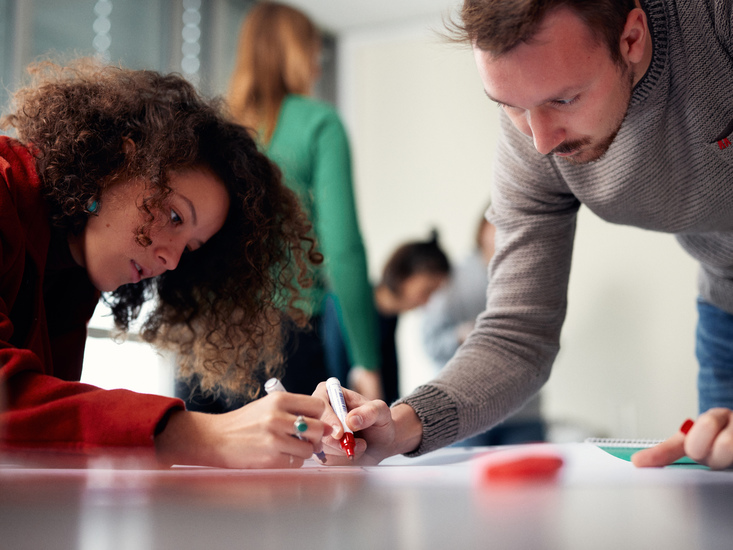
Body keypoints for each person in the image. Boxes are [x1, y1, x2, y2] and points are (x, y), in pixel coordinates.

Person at [315, 0, 733, 470]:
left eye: (564, 99)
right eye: (511, 106)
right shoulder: (532, 145)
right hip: (725, 301)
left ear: (632, 39)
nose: (541, 141)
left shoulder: (712, 17)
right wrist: (400, 425)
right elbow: (517, 333)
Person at [0, 58, 331, 469]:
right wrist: (201, 435)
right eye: (175, 216)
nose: (171, 260)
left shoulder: (71, 274)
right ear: (122, 160)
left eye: (190, 248)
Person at [217, 1, 381, 402]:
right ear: (294, 53)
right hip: (285, 341)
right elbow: (342, 249)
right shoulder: (319, 123)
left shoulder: (215, 131)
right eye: (312, 51)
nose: (318, 63)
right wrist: (368, 360)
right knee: (306, 463)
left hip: (209, 343)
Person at [422, 208, 545, 446]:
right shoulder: (450, 280)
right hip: (465, 414)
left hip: (524, 415)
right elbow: (431, 344)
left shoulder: (533, 276)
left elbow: (545, 339)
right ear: (482, 230)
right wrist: (460, 336)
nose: (504, 232)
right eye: (497, 223)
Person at [324, 232, 450, 404]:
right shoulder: (350, 304)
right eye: (427, 290)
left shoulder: (390, 318)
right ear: (404, 274)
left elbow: (389, 382)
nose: (427, 301)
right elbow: (335, 374)